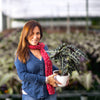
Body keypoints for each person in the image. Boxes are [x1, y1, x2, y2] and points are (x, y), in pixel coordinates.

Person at [14, 20, 69, 100]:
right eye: (31, 33)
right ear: (25, 35)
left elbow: (48, 65)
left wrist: (63, 75)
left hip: (49, 94)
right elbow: (23, 75)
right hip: (31, 95)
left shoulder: (44, 48)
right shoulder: (21, 53)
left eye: (37, 33)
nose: (35, 37)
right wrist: (45, 80)